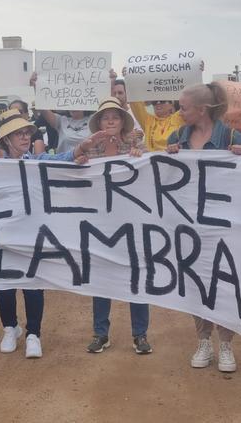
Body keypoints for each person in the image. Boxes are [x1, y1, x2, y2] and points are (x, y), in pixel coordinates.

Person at [0, 108, 107, 358]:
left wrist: (81, 149)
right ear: (5, 140)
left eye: (27, 133)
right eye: (18, 134)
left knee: (33, 282)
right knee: (2, 283)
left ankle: (34, 333)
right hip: (2, 233)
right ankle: (10, 327)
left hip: (33, 233)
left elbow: (62, 158)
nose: (25, 137)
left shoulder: (36, 161)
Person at [165, 83, 241, 372]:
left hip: (224, 223)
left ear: (202, 110)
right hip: (189, 224)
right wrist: (169, 157)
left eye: (183, 107)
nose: (179, 111)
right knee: (195, 280)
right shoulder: (177, 138)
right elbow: (166, 178)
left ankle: (225, 344)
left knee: (224, 280)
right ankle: (203, 340)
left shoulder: (233, 137)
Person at [80, 98, 152, 355]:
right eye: (105, 117)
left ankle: (140, 334)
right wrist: (81, 155)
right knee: (101, 278)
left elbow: (149, 174)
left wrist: (139, 157)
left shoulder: (136, 145)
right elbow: (75, 166)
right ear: (98, 122)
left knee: (136, 276)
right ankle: (101, 333)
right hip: (100, 223)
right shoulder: (91, 147)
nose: (110, 121)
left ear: (123, 121)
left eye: (115, 116)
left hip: (132, 221)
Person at [30, 72, 92, 153]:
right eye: (70, 101)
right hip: (65, 164)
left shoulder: (93, 120)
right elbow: (43, 107)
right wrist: (36, 86)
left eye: (77, 101)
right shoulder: (61, 121)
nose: (74, 105)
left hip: (89, 164)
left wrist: (110, 82)